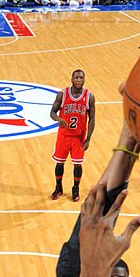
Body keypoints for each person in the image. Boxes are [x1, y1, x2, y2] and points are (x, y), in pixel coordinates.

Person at [51, 69, 96, 202]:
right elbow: (52, 112)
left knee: (77, 164)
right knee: (59, 163)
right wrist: (59, 119)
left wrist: (88, 139)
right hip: (64, 136)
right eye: (76, 78)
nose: (78, 80)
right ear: (71, 79)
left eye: (81, 78)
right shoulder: (62, 95)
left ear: (84, 80)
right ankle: (58, 187)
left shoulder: (89, 97)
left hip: (78, 138)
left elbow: (92, 118)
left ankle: (75, 188)